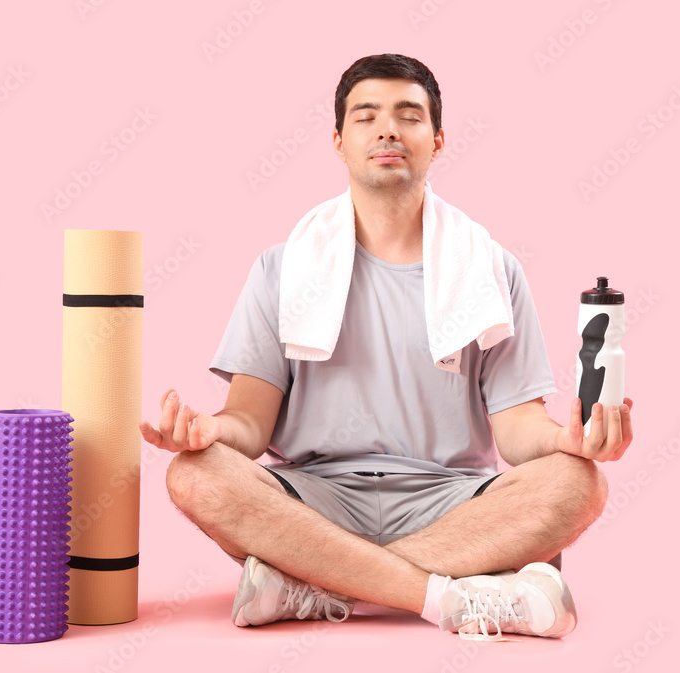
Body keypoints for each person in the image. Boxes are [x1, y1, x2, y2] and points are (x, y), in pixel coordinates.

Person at [139, 53, 634, 641]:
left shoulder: (491, 269)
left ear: (439, 139)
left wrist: (566, 441)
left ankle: (315, 588)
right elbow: (248, 421)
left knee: (579, 482)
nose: (388, 130)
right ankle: (451, 597)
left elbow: (518, 429)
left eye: (409, 115)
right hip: (312, 498)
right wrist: (208, 432)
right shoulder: (282, 269)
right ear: (339, 141)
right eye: (366, 115)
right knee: (195, 476)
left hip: (451, 499)